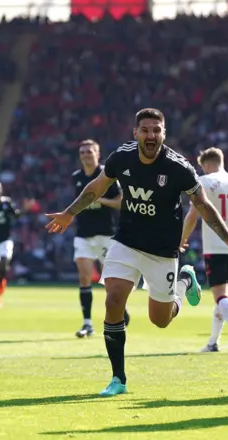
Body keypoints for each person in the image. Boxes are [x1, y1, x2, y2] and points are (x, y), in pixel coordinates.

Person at [45, 108, 228, 397]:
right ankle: (118, 378)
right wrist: (70, 213)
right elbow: (97, 187)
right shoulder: (122, 157)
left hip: (162, 250)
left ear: (164, 134)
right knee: (113, 300)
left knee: (161, 320)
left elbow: (204, 206)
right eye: (145, 130)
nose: (150, 135)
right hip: (126, 241)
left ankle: (184, 281)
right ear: (135, 133)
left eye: (156, 130)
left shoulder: (179, 167)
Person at [180, 147, 228, 354]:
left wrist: (182, 238)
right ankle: (213, 343)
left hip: (214, 246)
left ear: (205, 165)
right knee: (223, 294)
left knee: (220, 296)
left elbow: (192, 216)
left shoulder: (203, 182)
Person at [72, 139, 128, 338]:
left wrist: (98, 199)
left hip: (106, 234)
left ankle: (120, 311)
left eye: (89, 151)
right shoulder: (76, 177)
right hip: (83, 234)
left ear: (97, 154)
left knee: (110, 281)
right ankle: (87, 323)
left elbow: (120, 202)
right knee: (84, 277)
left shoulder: (108, 174)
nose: (86, 155)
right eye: (83, 152)